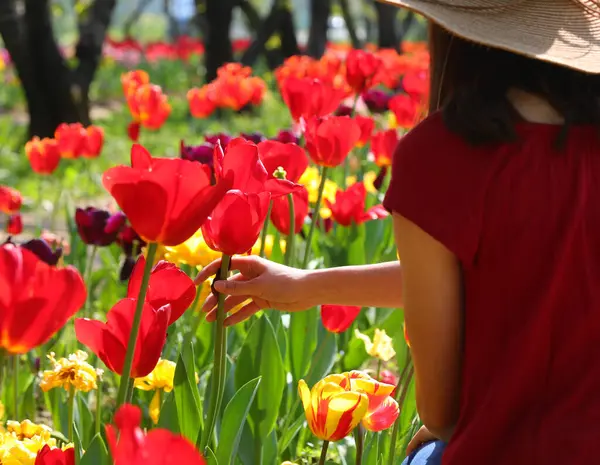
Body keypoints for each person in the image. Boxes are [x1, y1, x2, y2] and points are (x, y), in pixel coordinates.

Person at [195, 1, 600, 463]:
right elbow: (505, 271)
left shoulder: (443, 157)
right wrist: (305, 284)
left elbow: (443, 409)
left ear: (450, 31)